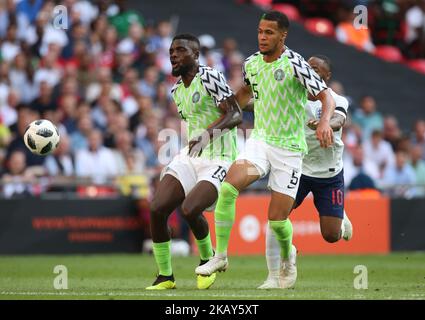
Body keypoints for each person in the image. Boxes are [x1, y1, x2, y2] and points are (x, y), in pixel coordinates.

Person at [196, 11, 335, 290]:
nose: (262, 37)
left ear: (282, 35)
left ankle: (288, 253)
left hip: (289, 150)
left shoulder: (295, 63)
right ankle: (220, 256)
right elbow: (245, 96)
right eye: (260, 31)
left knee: (277, 220)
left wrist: (323, 123)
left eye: (269, 32)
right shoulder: (251, 64)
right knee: (228, 187)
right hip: (260, 142)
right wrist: (217, 122)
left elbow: (325, 96)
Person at [146, 34, 242, 290]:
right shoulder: (176, 90)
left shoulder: (210, 76)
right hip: (190, 156)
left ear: (195, 55)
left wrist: (206, 136)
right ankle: (165, 276)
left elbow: (235, 114)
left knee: (190, 209)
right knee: (156, 209)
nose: (173, 55)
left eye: (180, 50)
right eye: (171, 51)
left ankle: (207, 257)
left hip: (219, 158)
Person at [258, 55, 353, 289]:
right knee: (276, 217)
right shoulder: (294, 96)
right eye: (307, 67)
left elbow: (339, 120)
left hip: (329, 175)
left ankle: (340, 218)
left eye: (316, 68)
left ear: (326, 76)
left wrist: (325, 124)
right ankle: (276, 272)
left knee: (331, 236)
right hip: (298, 170)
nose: (309, 71)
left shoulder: (336, 99)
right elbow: (263, 104)